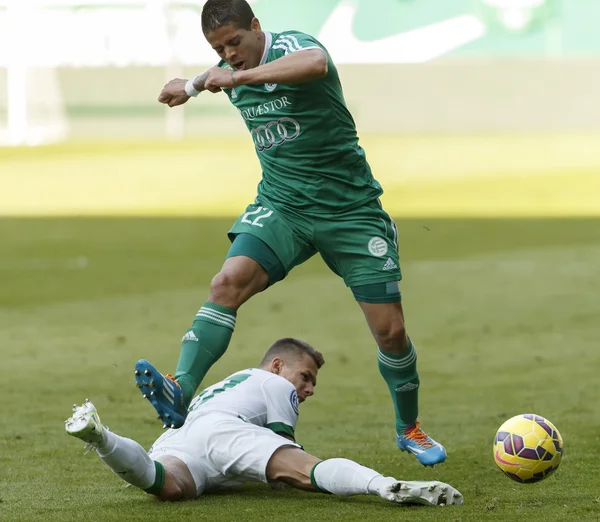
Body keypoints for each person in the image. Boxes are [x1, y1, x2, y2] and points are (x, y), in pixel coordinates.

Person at [141, 0, 446, 466]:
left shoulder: (293, 47)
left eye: (235, 43)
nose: (230, 55)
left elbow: (315, 63)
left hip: (350, 211)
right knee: (226, 282)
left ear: (257, 27)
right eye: (219, 48)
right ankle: (179, 389)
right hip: (282, 206)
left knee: (391, 332)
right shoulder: (225, 68)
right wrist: (190, 85)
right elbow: (210, 76)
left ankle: (410, 428)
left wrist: (236, 78)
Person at [67, 339, 463, 506]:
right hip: (227, 433)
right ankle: (387, 487)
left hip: (183, 435)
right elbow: (283, 451)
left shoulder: (230, 382)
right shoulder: (275, 383)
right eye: (305, 377)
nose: (307, 389)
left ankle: (101, 437)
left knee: (165, 483)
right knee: (304, 470)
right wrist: (292, 466)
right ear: (278, 365)